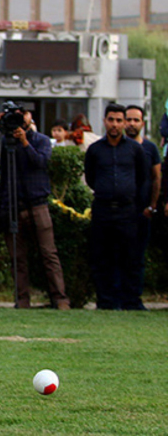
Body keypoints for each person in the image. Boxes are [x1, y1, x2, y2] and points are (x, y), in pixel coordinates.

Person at [0, 105, 70, 310]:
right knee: (17, 257)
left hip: (37, 203)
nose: (19, 119)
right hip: (11, 203)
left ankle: (60, 298)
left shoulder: (41, 140)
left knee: (49, 254)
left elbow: (40, 161)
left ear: (30, 118)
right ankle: (22, 300)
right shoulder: (4, 139)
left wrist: (24, 142)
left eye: (23, 115)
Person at [85, 104, 150, 310]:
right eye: (111, 120)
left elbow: (142, 178)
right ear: (104, 121)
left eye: (119, 120)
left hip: (127, 211)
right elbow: (91, 177)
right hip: (103, 209)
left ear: (123, 123)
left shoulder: (135, 149)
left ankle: (131, 300)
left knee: (130, 257)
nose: (115, 125)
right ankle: (105, 300)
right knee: (102, 257)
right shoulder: (95, 150)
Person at [125, 105, 160, 306]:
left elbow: (156, 178)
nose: (131, 124)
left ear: (142, 124)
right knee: (118, 255)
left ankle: (134, 298)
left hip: (142, 211)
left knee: (137, 257)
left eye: (135, 120)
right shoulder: (114, 147)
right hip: (120, 210)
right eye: (128, 119)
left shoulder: (150, 149)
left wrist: (152, 206)